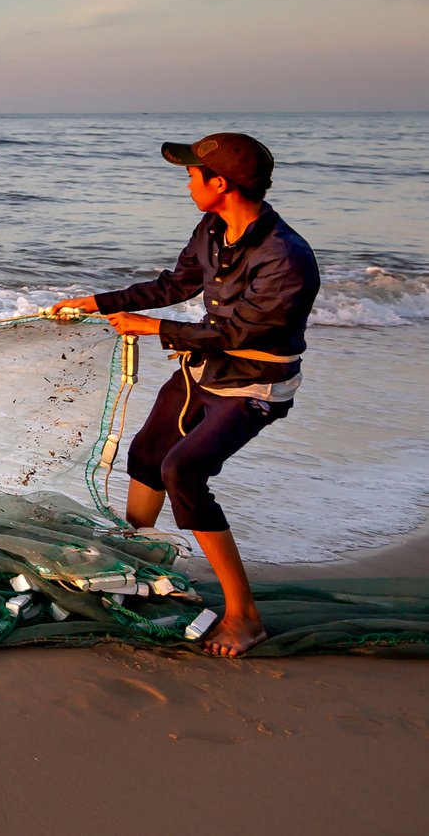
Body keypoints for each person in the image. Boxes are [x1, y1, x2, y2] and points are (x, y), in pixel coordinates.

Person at [51, 131, 318, 657]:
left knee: (183, 471)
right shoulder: (213, 227)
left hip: (253, 383)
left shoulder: (287, 257)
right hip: (203, 367)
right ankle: (135, 565)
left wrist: (151, 330)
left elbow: (241, 333)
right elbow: (176, 286)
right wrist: (96, 302)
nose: (187, 184)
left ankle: (245, 616)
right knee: (148, 456)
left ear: (220, 183)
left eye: (193, 175)